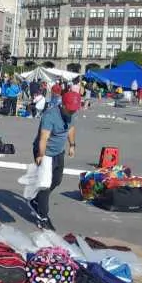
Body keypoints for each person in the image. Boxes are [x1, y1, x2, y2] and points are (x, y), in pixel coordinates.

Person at [29, 91, 81, 231]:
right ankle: (43, 218)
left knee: (56, 181)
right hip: (45, 152)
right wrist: (40, 155)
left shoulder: (70, 113)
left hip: (58, 152)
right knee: (45, 185)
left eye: (74, 109)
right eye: (70, 109)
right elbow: (43, 138)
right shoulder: (50, 116)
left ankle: (36, 200)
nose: (72, 112)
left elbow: (71, 129)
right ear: (62, 105)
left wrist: (72, 145)